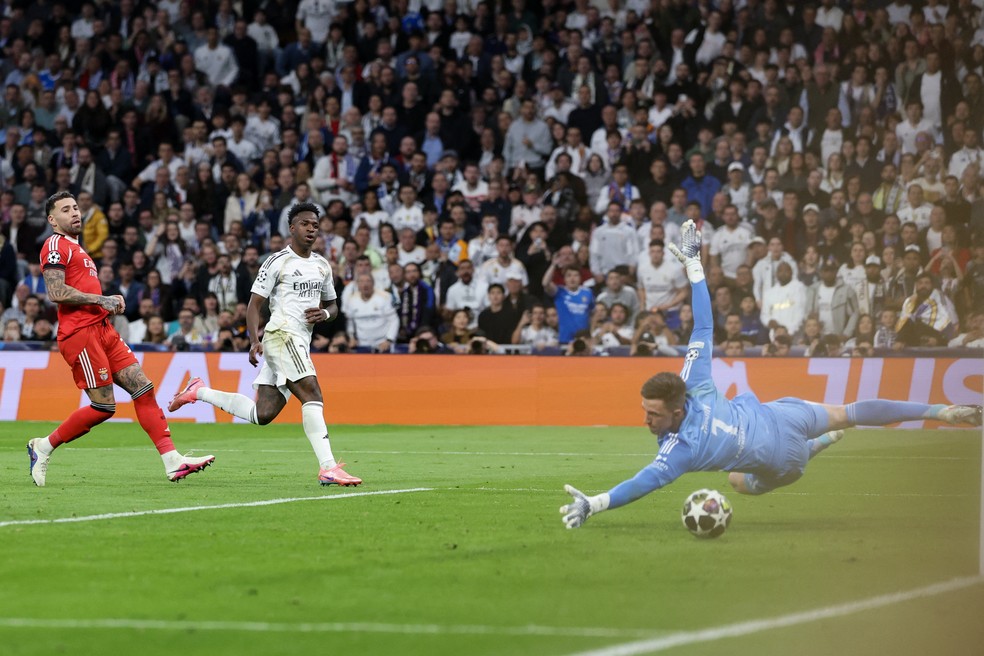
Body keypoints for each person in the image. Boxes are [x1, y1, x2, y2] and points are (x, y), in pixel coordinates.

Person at [559, 220, 981, 529]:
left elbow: (644, 481)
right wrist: (695, 266)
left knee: (737, 481)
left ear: (675, 409)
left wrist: (595, 504)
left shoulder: (681, 450)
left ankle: (816, 448)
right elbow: (703, 326)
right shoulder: (695, 381)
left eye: (652, 414)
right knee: (849, 411)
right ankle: (941, 411)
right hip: (784, 413)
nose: (646, 420)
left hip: (785, 460)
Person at [27, 192, 215, 487]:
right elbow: (55, 292)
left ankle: (172, 461)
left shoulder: (80, 249)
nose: (74, 213)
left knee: (143, 388)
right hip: (80, 335)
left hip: (103, 330)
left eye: (76, 208)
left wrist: (104, 304)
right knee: (103, 407)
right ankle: (43, 446)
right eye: (65, 210)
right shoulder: (55, 245)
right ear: (52, 220)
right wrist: (101, 299)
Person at [168, 202, 361, 487]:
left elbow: (333, 305)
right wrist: (254, 339)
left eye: (315, 226)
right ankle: (328, 468)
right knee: (312, 394)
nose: (311, 229)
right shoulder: (276, 261)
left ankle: (199, 391)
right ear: (292, 228)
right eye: (305, 224)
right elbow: (254, 304)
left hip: (300, 341)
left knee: (263, 414)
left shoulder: (322, 265)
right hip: (281, 336)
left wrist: (325, 314)